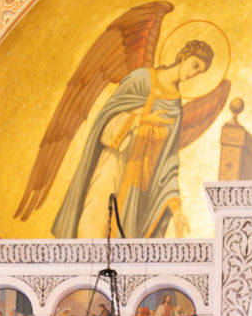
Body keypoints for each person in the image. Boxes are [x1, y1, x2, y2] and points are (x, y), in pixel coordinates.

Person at [53, 40, 215, 240]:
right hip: (114, 162)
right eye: (195, 65)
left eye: (199, 72)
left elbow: (168, 159)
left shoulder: (175, 105)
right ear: (184, 56)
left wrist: (176, 210)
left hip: (138, 183)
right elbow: (105, 122)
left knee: (123, 244)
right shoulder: (142, 79)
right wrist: (141, 120)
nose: (193, 73)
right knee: (93, 227)